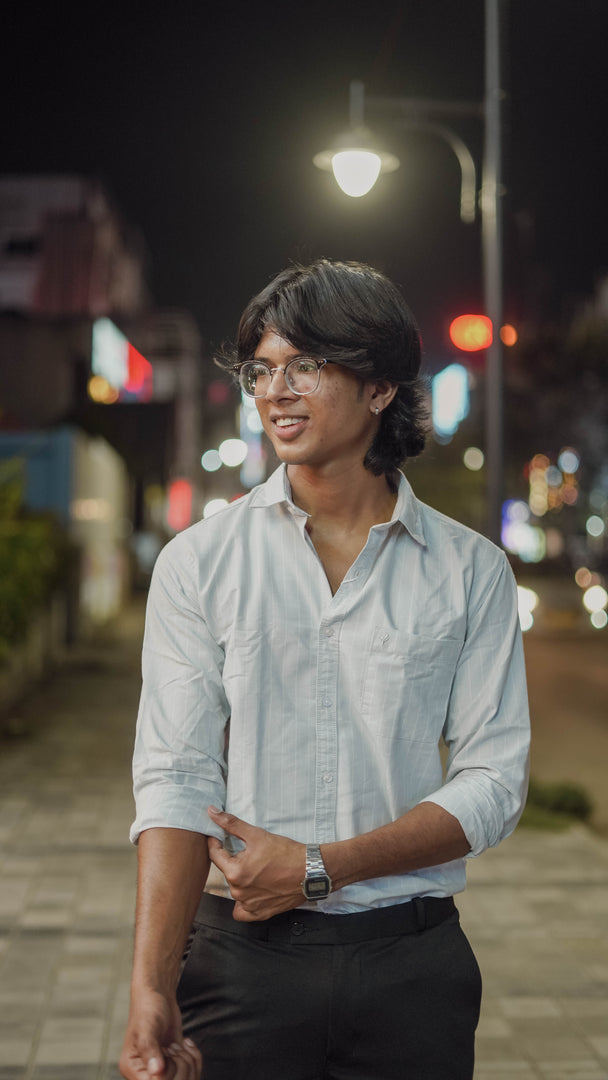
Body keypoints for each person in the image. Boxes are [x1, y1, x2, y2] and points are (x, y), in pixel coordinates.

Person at [120, 259, 530, 1080]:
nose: (277, 391)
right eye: (262, 369)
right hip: (239, 963)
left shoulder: (471, 571)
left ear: (380, 386)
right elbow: (176, 778)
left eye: (307, 365)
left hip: (411, 965)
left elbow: (493, 783)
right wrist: (150, 983)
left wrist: (317, 868)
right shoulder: (200, 563)